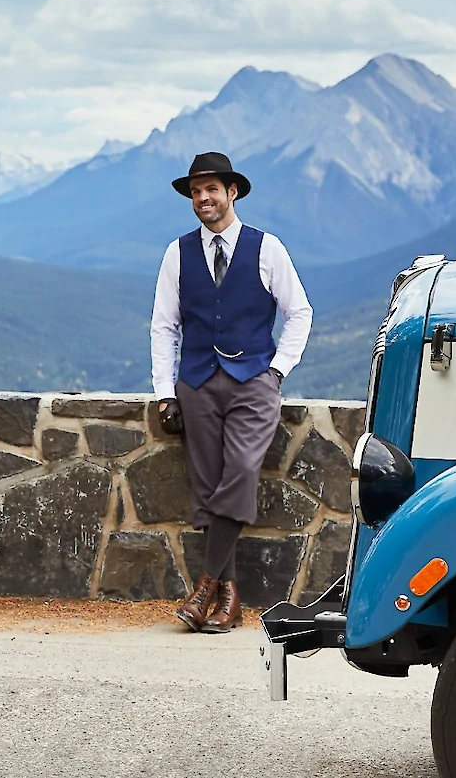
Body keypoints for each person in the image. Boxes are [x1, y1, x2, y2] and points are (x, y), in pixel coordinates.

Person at [150, 151, 312, 635]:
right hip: (196, 383)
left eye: (211, 190)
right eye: (196, 192)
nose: (203, 199)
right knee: (207, 488)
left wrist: (277, 371)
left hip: (254, 383)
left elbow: (299, 312)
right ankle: (229, 598)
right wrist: (165, 391)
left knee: (239, 472)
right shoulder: (177, 253)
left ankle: (203, 587)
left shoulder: (267, 249)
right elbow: (163, 326)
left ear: (232, 193)